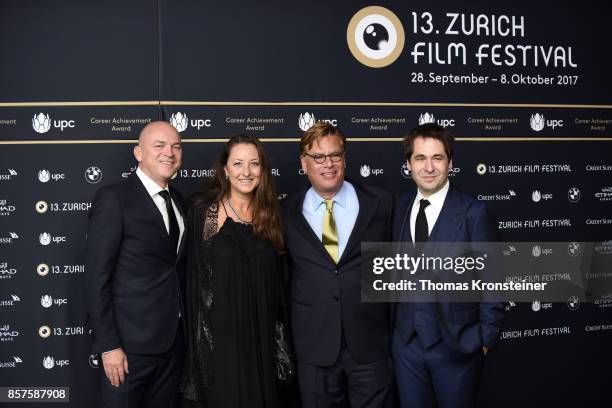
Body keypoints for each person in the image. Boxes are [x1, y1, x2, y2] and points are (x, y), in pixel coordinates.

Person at [392, 123, 505, 408]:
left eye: (437, 158)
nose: (429, 167)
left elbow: (493, 280)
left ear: (450, 162)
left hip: (456, 348)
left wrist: (484, 339)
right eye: (420, 158)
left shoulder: (473, 213)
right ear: (408, 164)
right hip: (406, 347)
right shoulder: (399, 207)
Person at [283, 123, 395, 407]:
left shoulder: (380, 203)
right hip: (314, 345)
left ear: (345, 158)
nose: (328, 164)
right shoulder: (285, 213)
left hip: (369, 343)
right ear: (304, 163)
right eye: (318, 157)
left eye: (335, 155)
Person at [180, 135, 288, 408]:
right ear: (225, 170)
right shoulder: (204, 214)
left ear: (262, 170)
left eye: (254, 163)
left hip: (261, 340)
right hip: (220, 342)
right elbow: (194, 283)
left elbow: (281, 287)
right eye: (238, 163)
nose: (246, 172)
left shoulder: (272, 215)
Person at [85, 121, 186, 408]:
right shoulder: (115, 198)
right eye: (159, 145)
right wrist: (108, 346)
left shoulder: (177, 199)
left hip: (172, 345)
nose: (169, 152)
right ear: (138, 153)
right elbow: (96, 278)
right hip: (127, 350)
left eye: (176, 146)